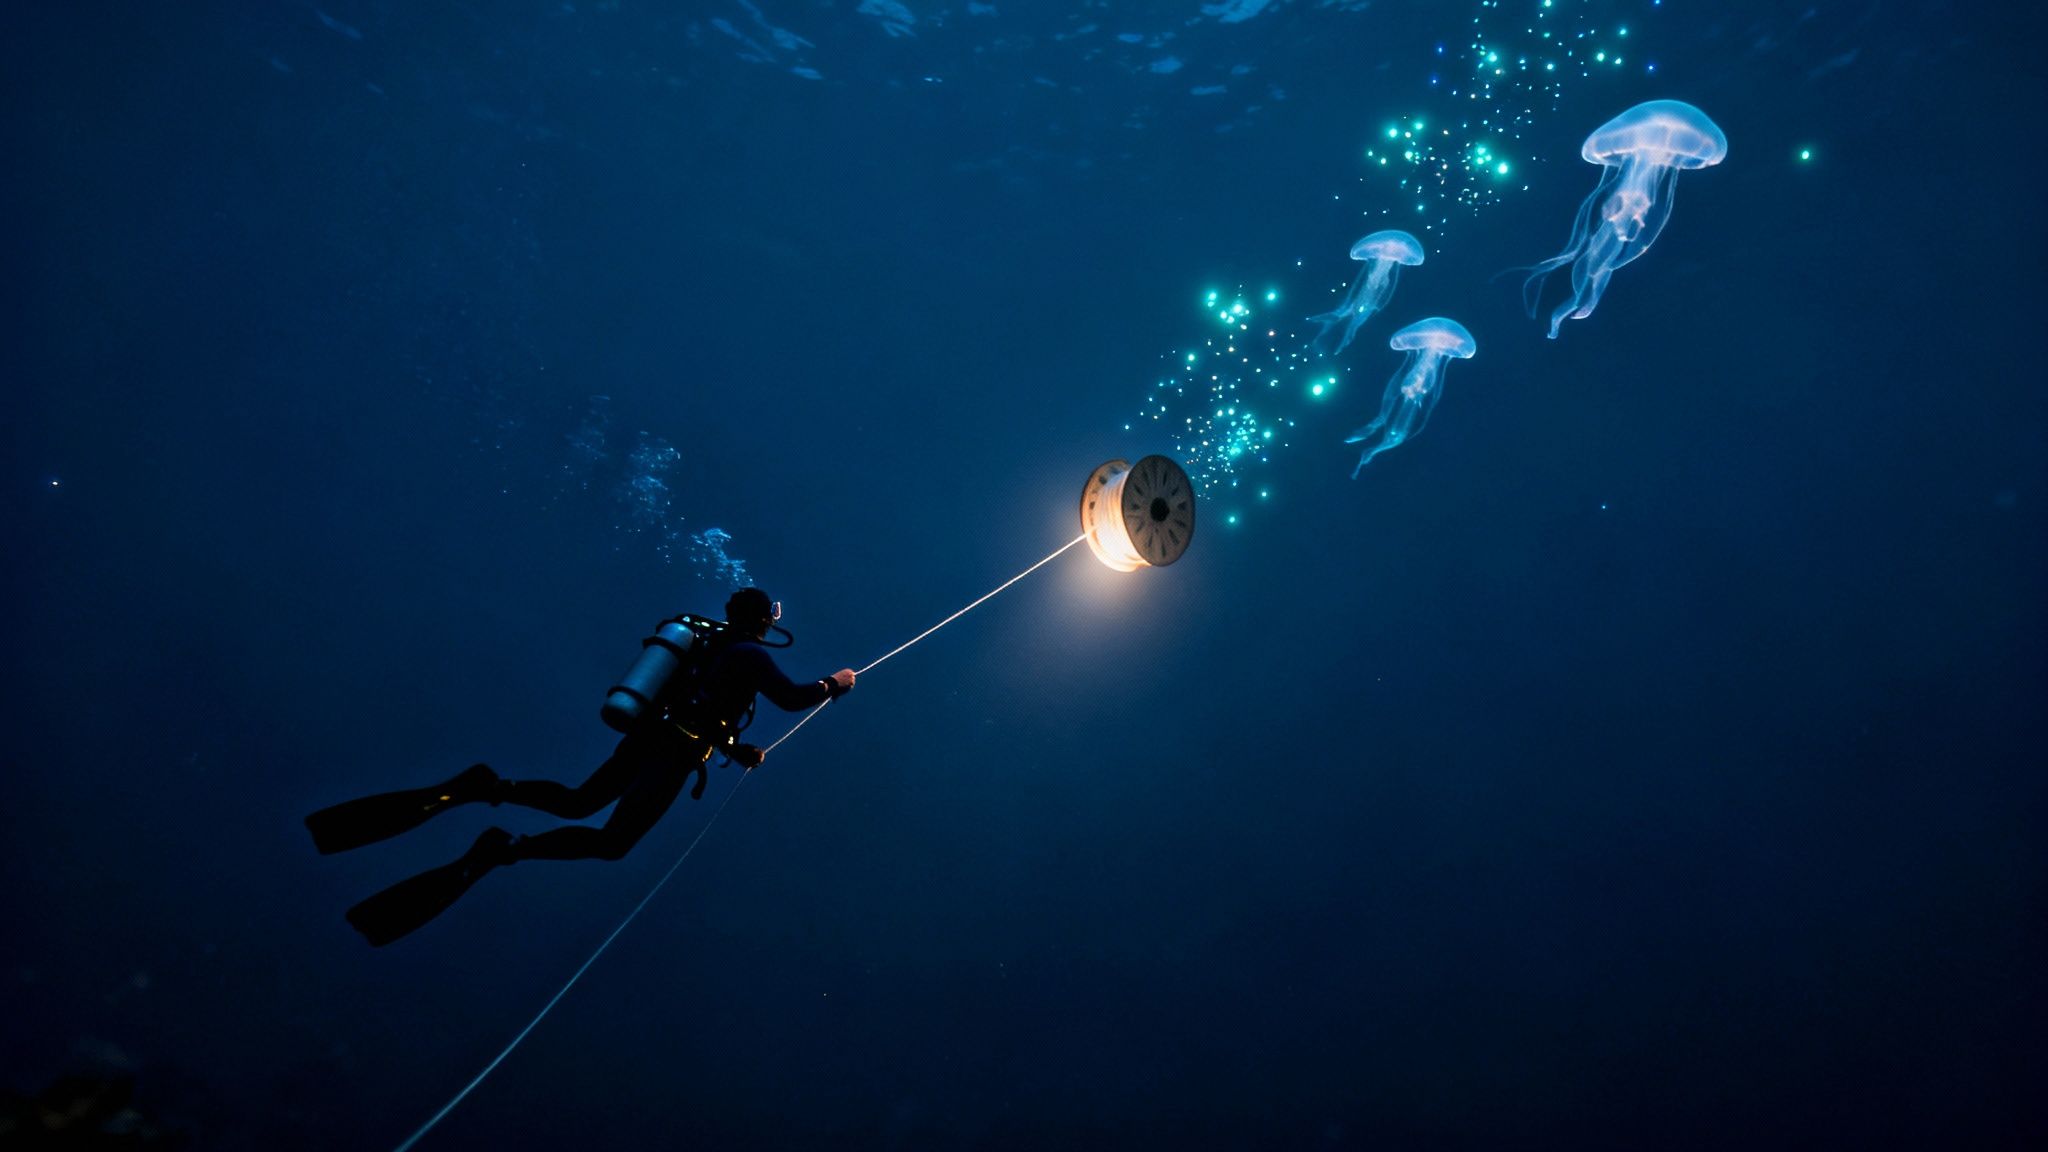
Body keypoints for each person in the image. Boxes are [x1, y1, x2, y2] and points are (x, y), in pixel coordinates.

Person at [307, 588, 855, 946]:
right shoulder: (751, 655)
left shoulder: (711, 651)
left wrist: (735, 750)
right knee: (612, 842)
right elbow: (789, 699)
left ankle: (488, 788)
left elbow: (703, 707)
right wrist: (835, 684)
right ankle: (505, 848)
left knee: (576, 801)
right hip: (669, 754)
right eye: (772, 615)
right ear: (762, 620)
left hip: (649, 738)